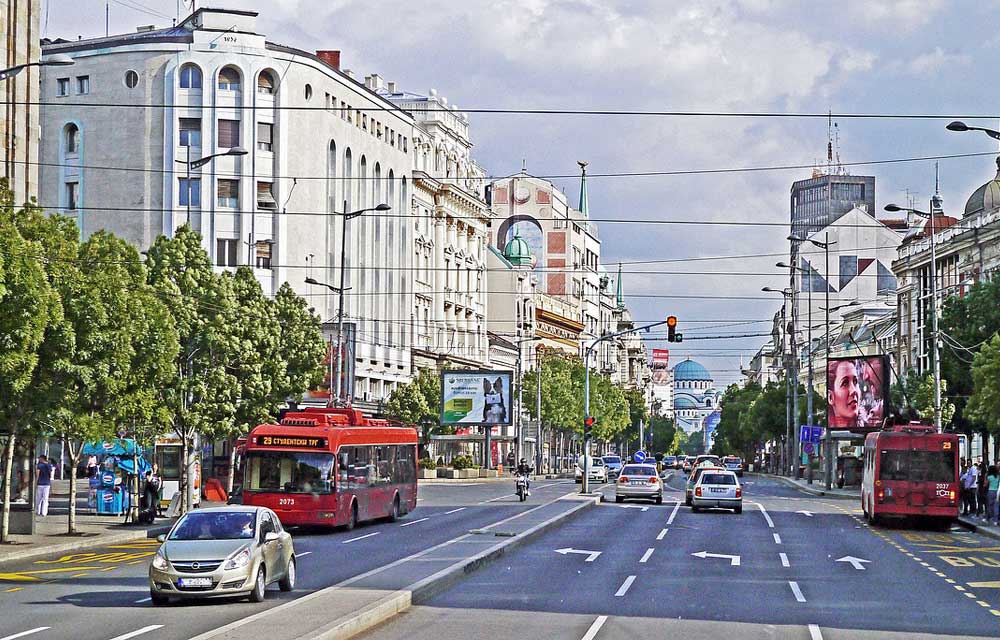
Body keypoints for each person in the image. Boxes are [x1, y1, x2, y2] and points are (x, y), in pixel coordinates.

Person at [827, 360, 861, 428]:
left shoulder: (872, 429)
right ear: (830, 397)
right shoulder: (827, 435)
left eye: (855, 381)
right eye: (845, 383)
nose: (853, 390)